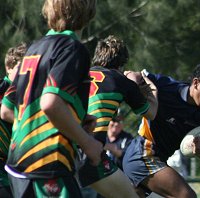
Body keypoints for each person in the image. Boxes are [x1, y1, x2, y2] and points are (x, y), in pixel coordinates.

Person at [0, 0, 102, 197]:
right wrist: (88, 143)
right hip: (48, 163)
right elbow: (50, 104)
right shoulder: (72, 49)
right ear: (88, 10)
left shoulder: (32, 49)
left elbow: (7, 109)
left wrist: (73, 120)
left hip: (17, 165)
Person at [123, 61, 200, 198]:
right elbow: (130, 74)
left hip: (159, 159)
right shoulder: (165, 86)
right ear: (196, 83)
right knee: (186, 196)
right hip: (142, 153)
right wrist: (138, 88)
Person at [78, 35, 158, 198]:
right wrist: (151, 87)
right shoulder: (121, 81)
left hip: (63, 146)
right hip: (91, 153)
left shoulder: (80, 73)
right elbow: (151, 112)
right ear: (121, 64)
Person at [0, 42, 28, 198]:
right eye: (20, 69)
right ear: (8, 67)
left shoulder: (27, 94)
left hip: (15, 167)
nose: (24, 75)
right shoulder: (4, 89)